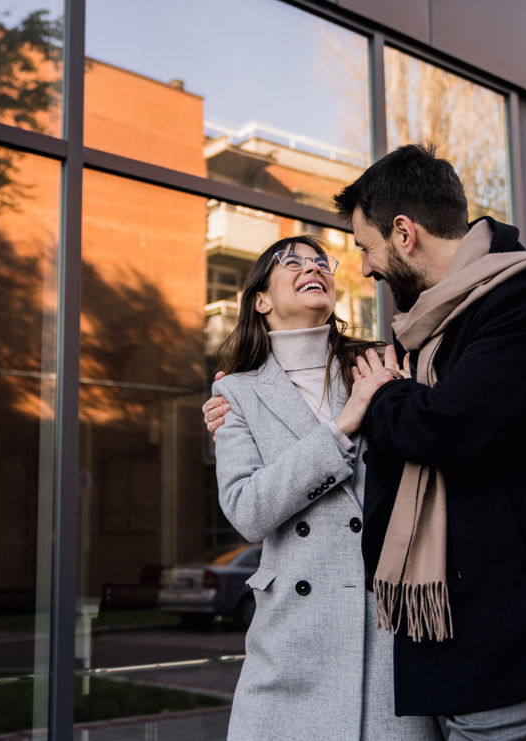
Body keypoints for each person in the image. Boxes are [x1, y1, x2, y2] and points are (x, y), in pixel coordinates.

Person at [333, 143, 526, 739]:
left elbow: (445, 428)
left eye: (367, 247)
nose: (365, 268)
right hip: (465, 640)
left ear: (405, 232)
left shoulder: (524, 298)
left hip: (515, 636)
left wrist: (385, 393)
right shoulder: (432, 326)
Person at [211, 235, 439, 740]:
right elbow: (247, 510)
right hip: (290, 642)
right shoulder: (235, 392)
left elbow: (451, 443)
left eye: (321, 261)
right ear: (261, 300)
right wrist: (341, 427)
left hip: (385, 636)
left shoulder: (381, 363)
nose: (312, 267)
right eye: (291, 262)